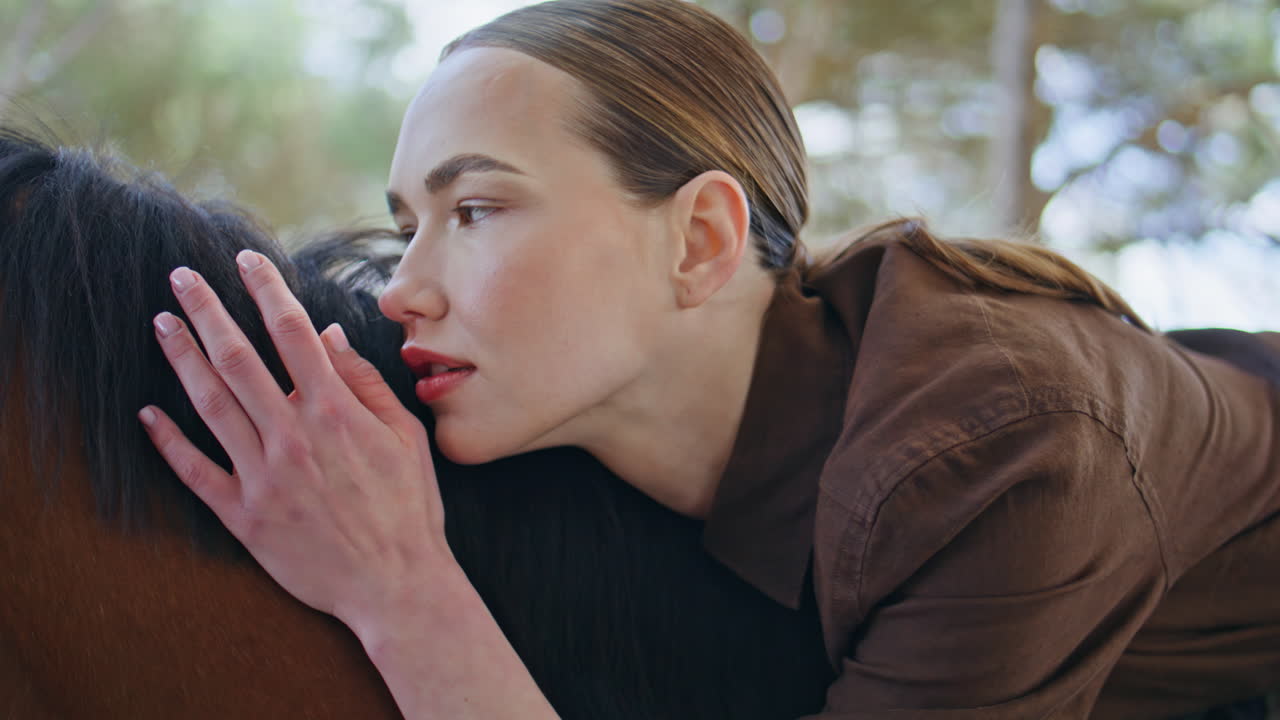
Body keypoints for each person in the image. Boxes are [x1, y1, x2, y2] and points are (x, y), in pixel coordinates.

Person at [134, 0, 1280, 717]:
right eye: (404, 227)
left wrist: (399, 591)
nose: (403, 288)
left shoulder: (998, 456)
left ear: (699, 241)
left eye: (476, 209)